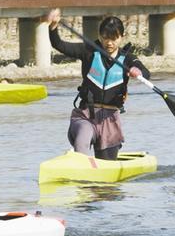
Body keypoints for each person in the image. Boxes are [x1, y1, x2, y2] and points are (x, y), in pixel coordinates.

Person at [46, 9, 151, 161]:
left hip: (110, 120)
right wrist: (53, 27)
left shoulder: (128, 59)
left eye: (114, 38)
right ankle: (80, 167)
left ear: (121, 37)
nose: (109, 42)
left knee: (107, 166)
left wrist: (137, 71)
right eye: (105, 38)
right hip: (85, 116)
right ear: (100, 36)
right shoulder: (88, 51)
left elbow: (146, 73)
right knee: (82, 140)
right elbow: (59, 45)